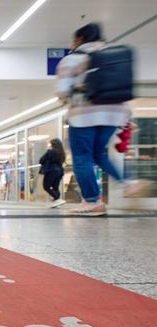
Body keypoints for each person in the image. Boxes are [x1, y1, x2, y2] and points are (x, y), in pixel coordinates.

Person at [56, 23, 150, 215]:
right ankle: (129, 182)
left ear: (79, 39)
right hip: (114, 114)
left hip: (84, 115)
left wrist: (65, 97)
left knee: (82, 158)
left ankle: (91, 201)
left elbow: (63, 91)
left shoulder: (72, 59)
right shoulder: (115, 56)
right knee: (99, 154)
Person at [39, 139, 67, 208]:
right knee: (55, 187)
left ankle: (57, 199)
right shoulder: (62, 153)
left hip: (51, 171)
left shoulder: (50, 152)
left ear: (53, 145)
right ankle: (57, 203)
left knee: (46, 186)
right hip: (60, 171)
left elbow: (41, 160)